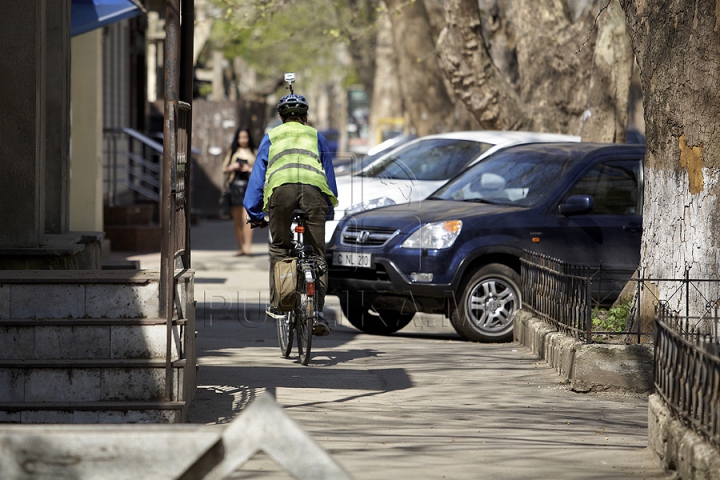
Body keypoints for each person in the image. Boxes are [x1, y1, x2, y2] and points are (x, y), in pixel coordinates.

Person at [243, 92, 338, 336]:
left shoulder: (272, 136)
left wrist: (254, 212)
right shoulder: (316, 135)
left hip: (281, 193)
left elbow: (258, 175)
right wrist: (328, 209)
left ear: (281, 117)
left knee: (280, 247)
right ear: (305, 116)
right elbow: (328, 172)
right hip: (314, 193)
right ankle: (316, 312)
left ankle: (279, 303)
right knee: (317, 254)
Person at [222, 127, 256, 256]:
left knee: (247, 218)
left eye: (245, 137)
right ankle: (240, 247)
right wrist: (233, 167)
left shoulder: (254, 151)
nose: (243, 140)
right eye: (240, 137)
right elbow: (224, 168)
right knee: (237, 220)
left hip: (249, 187)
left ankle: (248, 247)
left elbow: (260, 169)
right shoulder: (233, 152)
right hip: (235, 188)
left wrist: (249, 169)